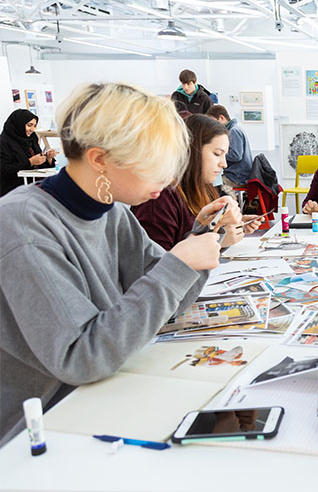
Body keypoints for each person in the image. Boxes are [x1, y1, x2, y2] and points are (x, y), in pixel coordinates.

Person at [0, 82, 222, 447]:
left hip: (100, 397)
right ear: (100, 159)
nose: (166, 181)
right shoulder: (23, 226)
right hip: (44, 430)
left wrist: (199, 240)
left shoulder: (112, 212)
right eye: (153, 166)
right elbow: (80, 356)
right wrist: (179, 264)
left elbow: (166, 304)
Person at [132, 114, 262, 251]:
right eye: (217, 154)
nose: (224, 164)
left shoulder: (205, 188)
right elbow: (159, 265)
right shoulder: (160, 197)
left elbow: (203, 235)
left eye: (225, 155)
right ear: (193, 150)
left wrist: (232, 226)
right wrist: (218, 240)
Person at [0, 109, 57, 196]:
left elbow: (40, 166)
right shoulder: (3, 142)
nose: (32, 129)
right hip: (14, 191)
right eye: (29, 125)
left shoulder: (32, 139)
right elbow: (4, 170)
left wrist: (48, 158)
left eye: (34, 126)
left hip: (36, 187)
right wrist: (30, 162)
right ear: (19, 124)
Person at [206, 105, 254, 193]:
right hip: (237, 174)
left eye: (214, 122)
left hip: (238, 177)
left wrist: (217, 155)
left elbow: (236, 155)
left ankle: (229, 204)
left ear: (221, 117)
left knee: (214, 186)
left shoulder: (233, 131)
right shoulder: (234, 130)